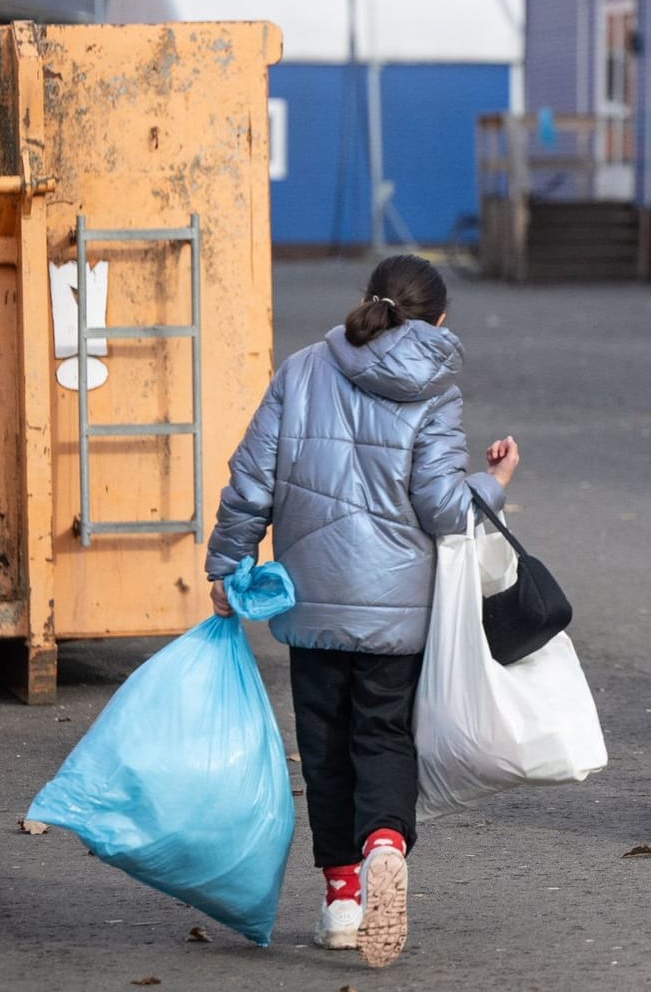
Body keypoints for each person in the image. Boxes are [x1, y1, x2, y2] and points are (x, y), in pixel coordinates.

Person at [205, 255, 517, 967]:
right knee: (382, 735)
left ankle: (342, 900)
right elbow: (442, 508)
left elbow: (249, 481)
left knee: (323, 749)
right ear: (438, 319)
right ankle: (385, 843)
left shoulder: (302, 369)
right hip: (398, 612)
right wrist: (493, 483)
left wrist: (227, 567)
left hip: (310, 603)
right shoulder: (435, 390)